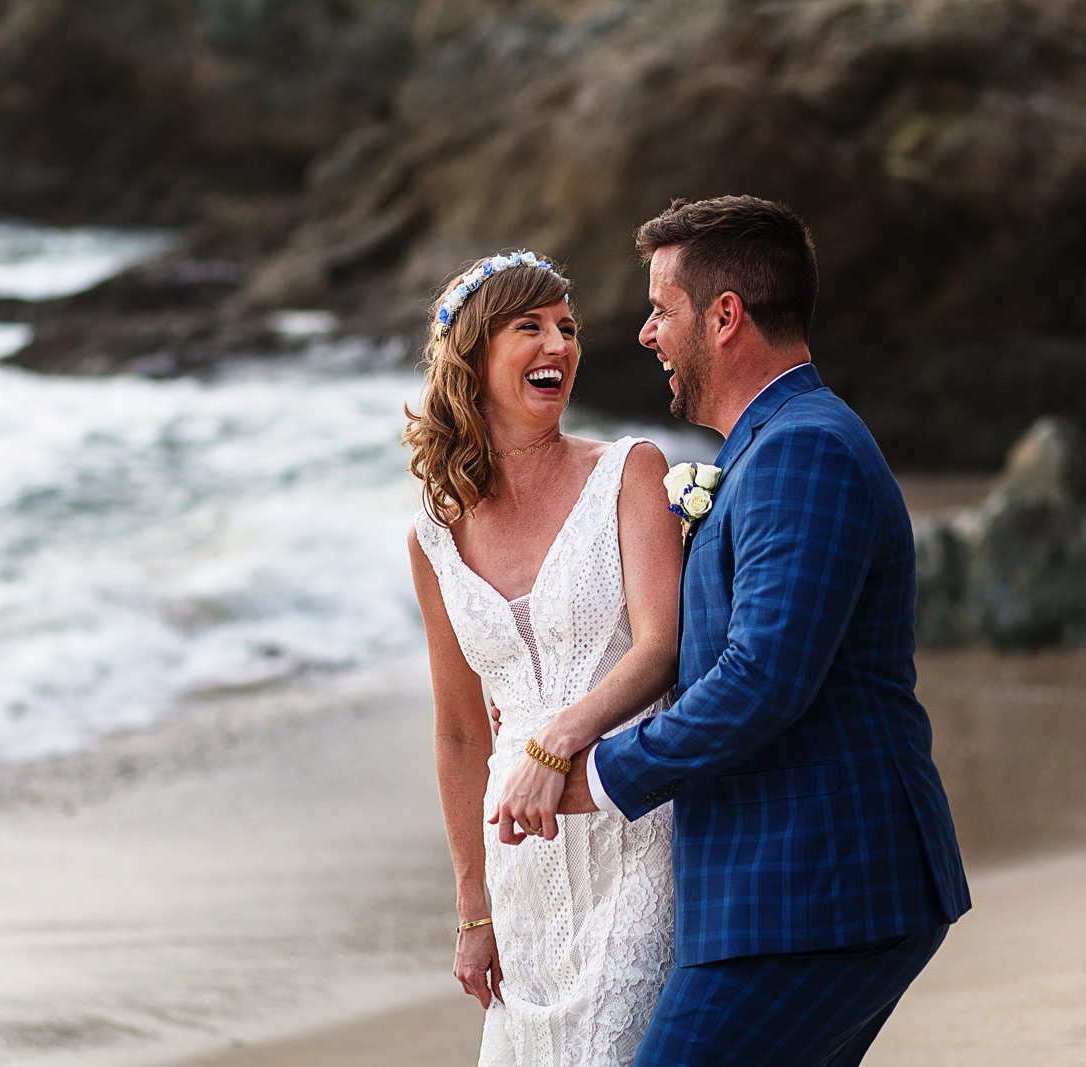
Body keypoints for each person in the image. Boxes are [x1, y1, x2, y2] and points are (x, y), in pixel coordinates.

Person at [492, 196, 972, 1066]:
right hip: (792, 889)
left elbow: (763, 677)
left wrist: (592, 777)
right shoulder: (761, 451)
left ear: (724, 316)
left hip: (818, 889)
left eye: (661, 309)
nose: (644, 334)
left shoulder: (803, 448)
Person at [405, 249, 686, 1064]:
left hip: (632, 820)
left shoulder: (631, 470)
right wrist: (473, 911)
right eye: (529, 326)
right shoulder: (434, 535)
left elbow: (660, 647)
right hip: (519, 852)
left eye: (567, 328)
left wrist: (553, 741)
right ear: (476, 356)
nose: (558, 345)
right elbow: (460, 732)